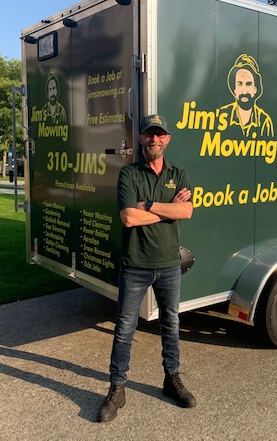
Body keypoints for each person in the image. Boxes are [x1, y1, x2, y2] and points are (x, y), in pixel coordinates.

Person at [97, 114, 195, 422]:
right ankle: (117, 388)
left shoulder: (178, 173)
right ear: (141, 139)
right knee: (125, 329)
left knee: (171, 325)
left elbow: (187, 211)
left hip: (168, 264)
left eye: (160, 135)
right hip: (136, 265)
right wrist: (168, 211)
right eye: (149, 135)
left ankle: (172, 379)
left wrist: (149, 206)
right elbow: (128, 218)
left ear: (167, 139)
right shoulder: (129, 174)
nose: (154, 139)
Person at [219, 54, 274, 137]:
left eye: (248, 84)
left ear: (255, 89)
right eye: (240, 84)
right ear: (234, 89)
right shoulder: (222, 115)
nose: (244, 91)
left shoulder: (264, 121)